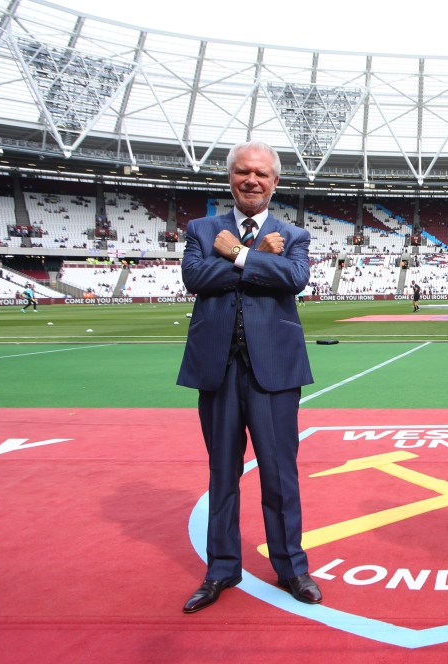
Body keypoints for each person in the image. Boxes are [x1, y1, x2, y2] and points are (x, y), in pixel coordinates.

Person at [177, 140, 322, 613]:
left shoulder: (292, 234)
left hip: (274, 372)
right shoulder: (201, 228)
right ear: (230, 178)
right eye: (243, 172)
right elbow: (196, 279)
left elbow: (293, 279)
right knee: (223, 474)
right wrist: (261, 257)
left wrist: (239, 254)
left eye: (261, 173)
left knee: (280, 476)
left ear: (275, 181)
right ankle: (221, 568)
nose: (251, 180)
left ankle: (291, 567)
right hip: (216, 369)